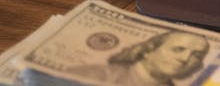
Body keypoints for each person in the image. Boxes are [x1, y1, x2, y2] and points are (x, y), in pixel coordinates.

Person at [66, 29, 210, 85]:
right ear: (148, 50)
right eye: (178, 49)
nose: (184, 59)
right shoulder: (93, 75)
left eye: (196, 56)